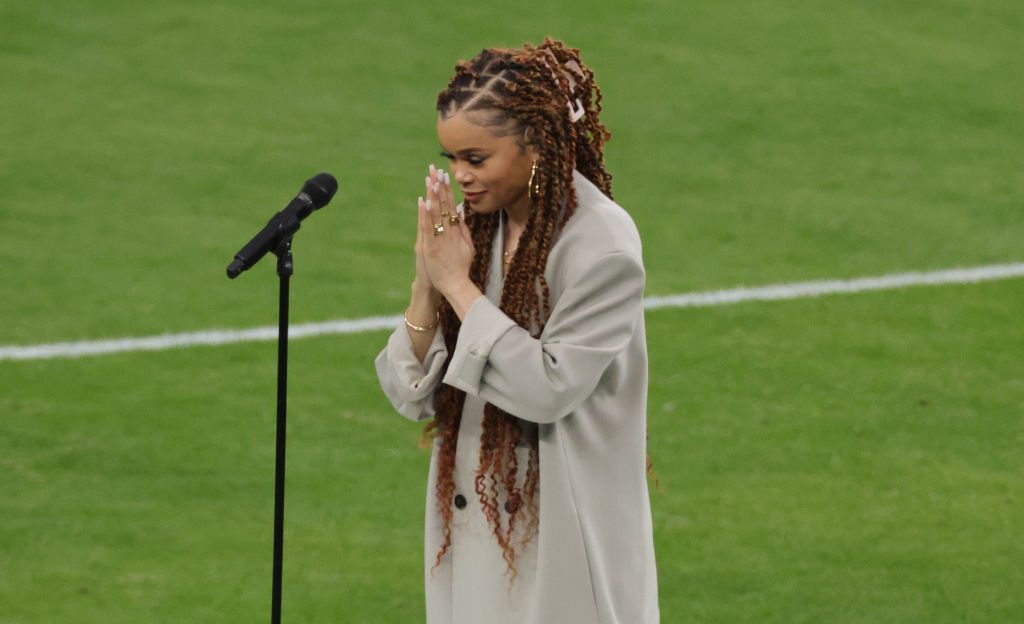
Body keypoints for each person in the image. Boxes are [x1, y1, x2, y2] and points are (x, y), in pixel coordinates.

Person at [375, 38, 659, 624]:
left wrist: (458, 286)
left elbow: (547, 389)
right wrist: (427, 285)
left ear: (535, 142)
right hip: (476, 524)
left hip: (564, 537)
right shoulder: (479, 230)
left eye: (476, 159)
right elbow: (412, 395)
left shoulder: (601, 248)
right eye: (452, 159)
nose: (460, 176)